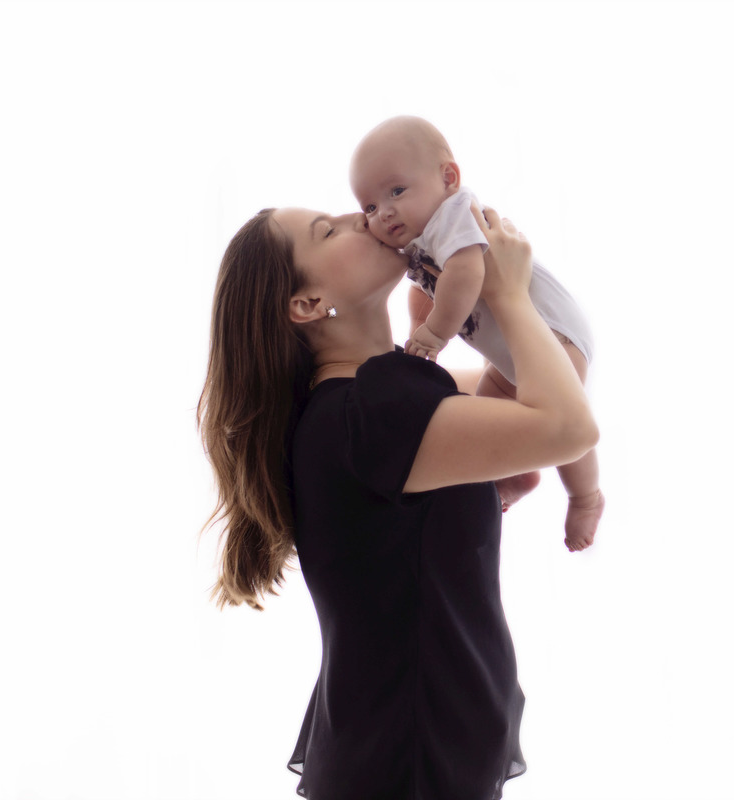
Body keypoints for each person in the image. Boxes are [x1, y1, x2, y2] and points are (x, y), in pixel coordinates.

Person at [197, 202, 599, 799]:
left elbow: (532, 403)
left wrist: (465, 294)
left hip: (409, 747)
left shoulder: (369, 399)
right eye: (326, 231)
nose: (358, 216)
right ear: (307, 305)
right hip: (409, 761)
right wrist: (511, 296)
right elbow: (568, 428)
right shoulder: (368, 415)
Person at [350, 116, 604, 552]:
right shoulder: (418, 237)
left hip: (553, 335)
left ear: (448, 178)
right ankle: (516, 473)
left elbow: (466, 274)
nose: (384, 212)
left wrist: (433, 334)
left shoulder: (454, 213)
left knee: (565, 424)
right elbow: (429, 287)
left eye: (396, 191)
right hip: (509, 354)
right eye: (370, 207)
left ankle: (585, 497)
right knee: (492, 413)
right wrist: (419, 319)